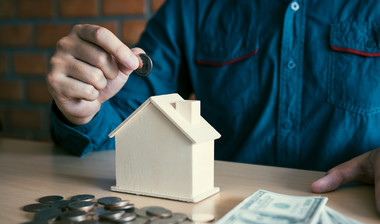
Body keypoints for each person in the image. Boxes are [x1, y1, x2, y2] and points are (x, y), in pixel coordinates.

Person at [47, 0, 380, 213]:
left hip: (357, 208)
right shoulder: (190, 8)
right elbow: (128, 122)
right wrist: (83, 108)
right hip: (220, 216)